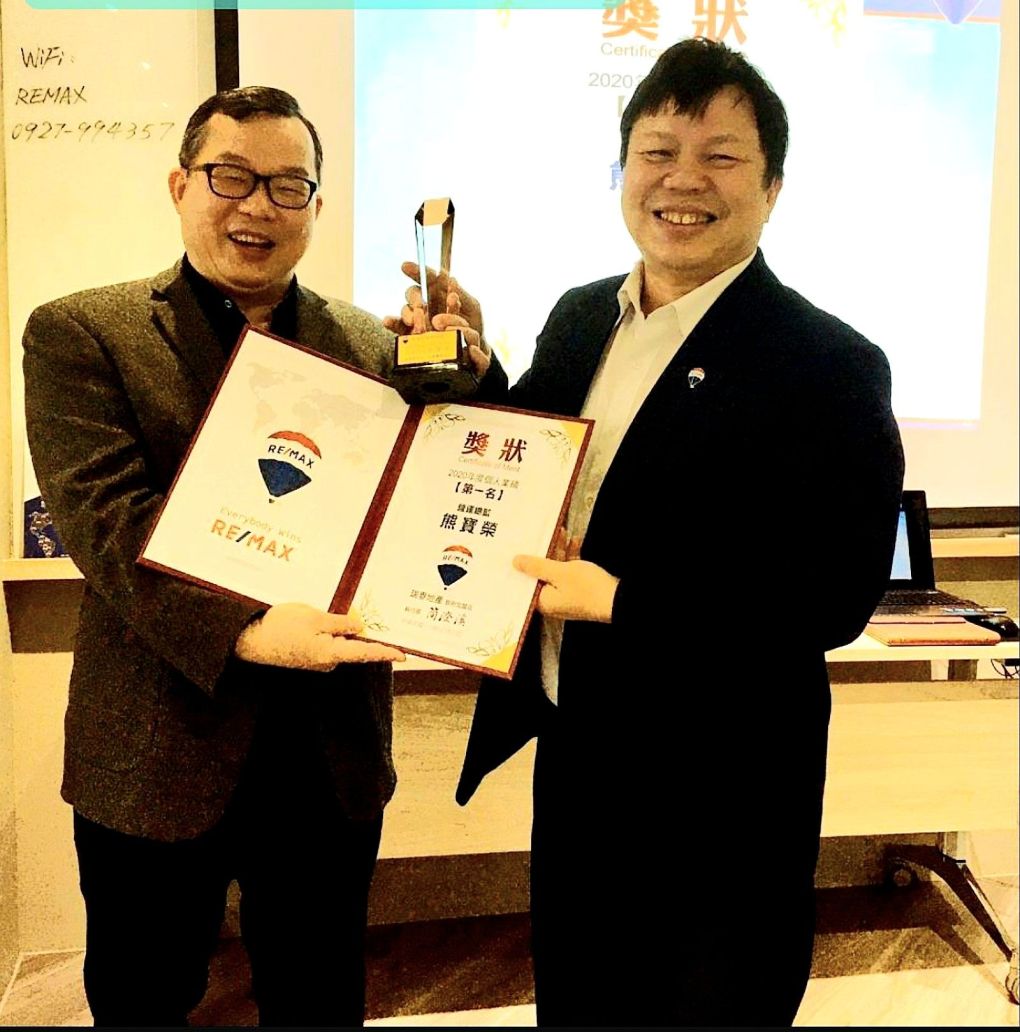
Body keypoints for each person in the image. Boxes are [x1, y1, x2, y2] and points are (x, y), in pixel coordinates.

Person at [386, 38, 905, 1027]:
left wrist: (623, 600)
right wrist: (472, 366)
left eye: (721, 157)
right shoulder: (585, 315)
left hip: (726, 785)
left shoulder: (829, 362)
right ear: (621, 172)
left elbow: (833, 595)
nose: (682, 180)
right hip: (579, 752)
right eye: (657, 152)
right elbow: (534, 461)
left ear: (773, 188)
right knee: (580, 999)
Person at [22, 86, 502, 1028]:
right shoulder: (83, 332)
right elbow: (107, 524)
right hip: (157, 746)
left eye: (288, 186)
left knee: (319, 998)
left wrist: (470, 374)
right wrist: (247, 631)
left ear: (316, 206)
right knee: (142, 997)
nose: (257, 207)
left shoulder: (373, 344)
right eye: (230, 177)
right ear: (180, 186)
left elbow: (447, 488)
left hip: (327, 754)